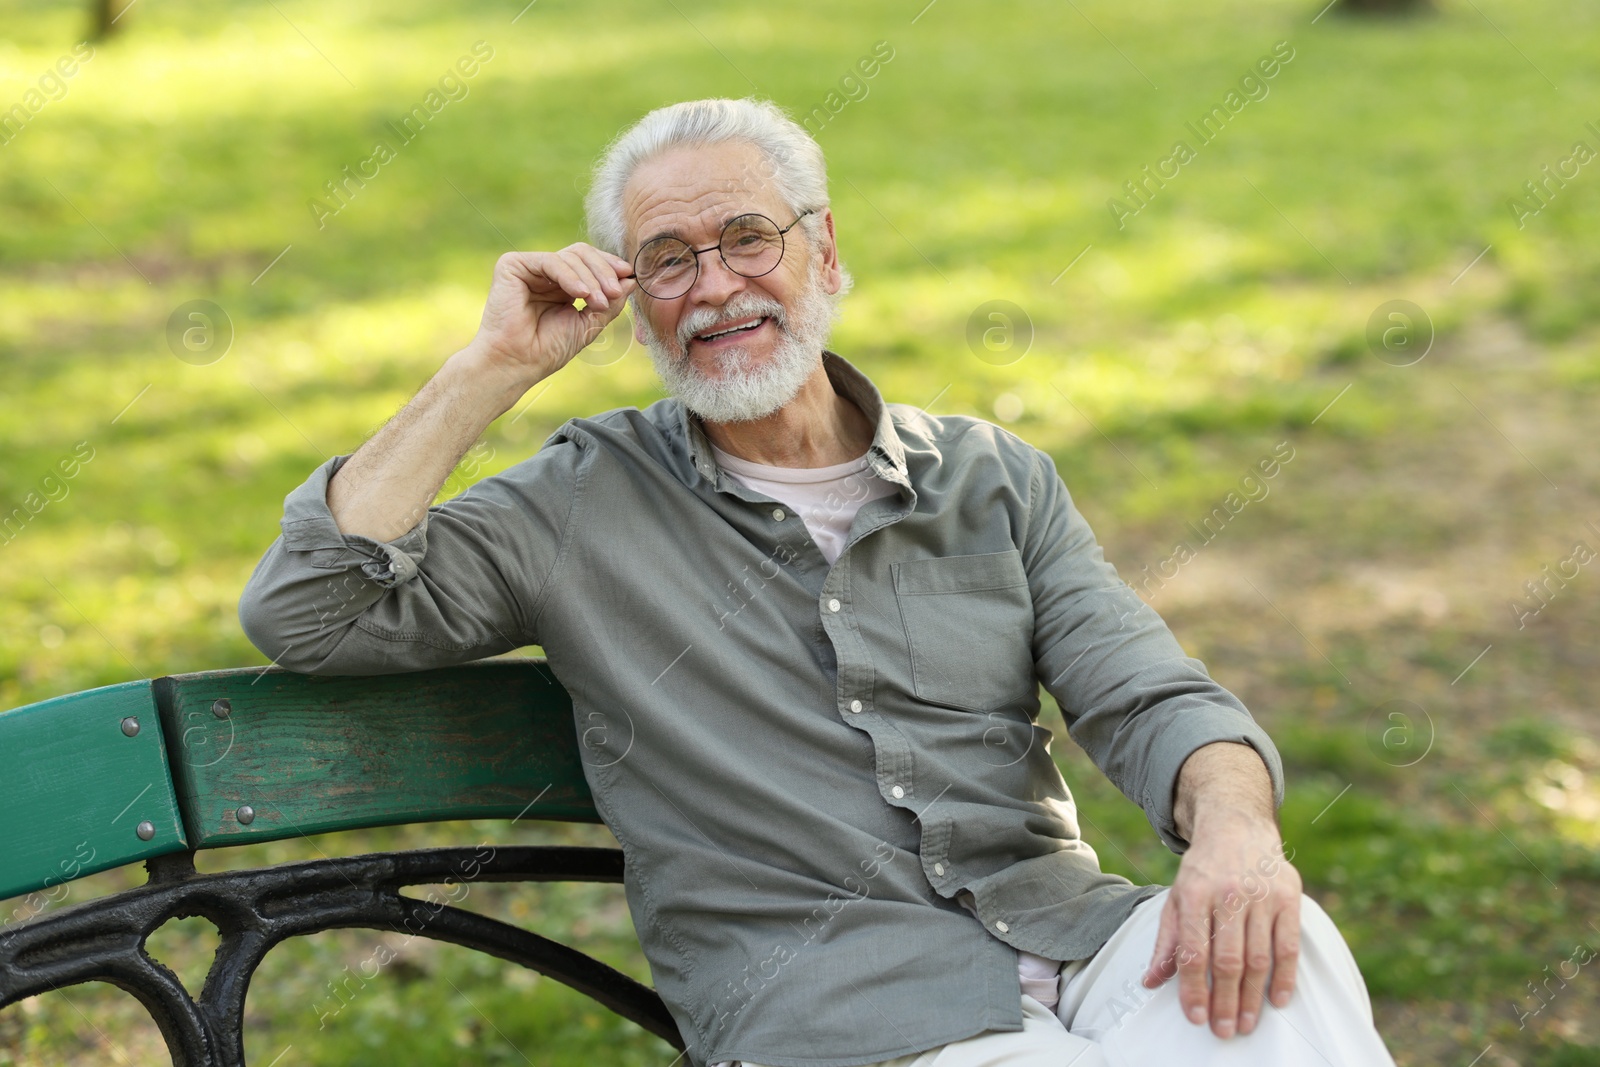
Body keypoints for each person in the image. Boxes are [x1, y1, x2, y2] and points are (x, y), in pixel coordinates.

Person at [238, 97, 1396, 1067]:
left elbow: (1148, 692)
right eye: (668, 260)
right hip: (850, 1013)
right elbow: (310, 605)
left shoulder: (988, 478)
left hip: (1075, 940)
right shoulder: (579, 501)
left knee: (1291, 964)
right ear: (633, 302)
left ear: (825, 250)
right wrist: (486, 369)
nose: (715, 285)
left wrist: (1238, 833)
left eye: (749, 236)